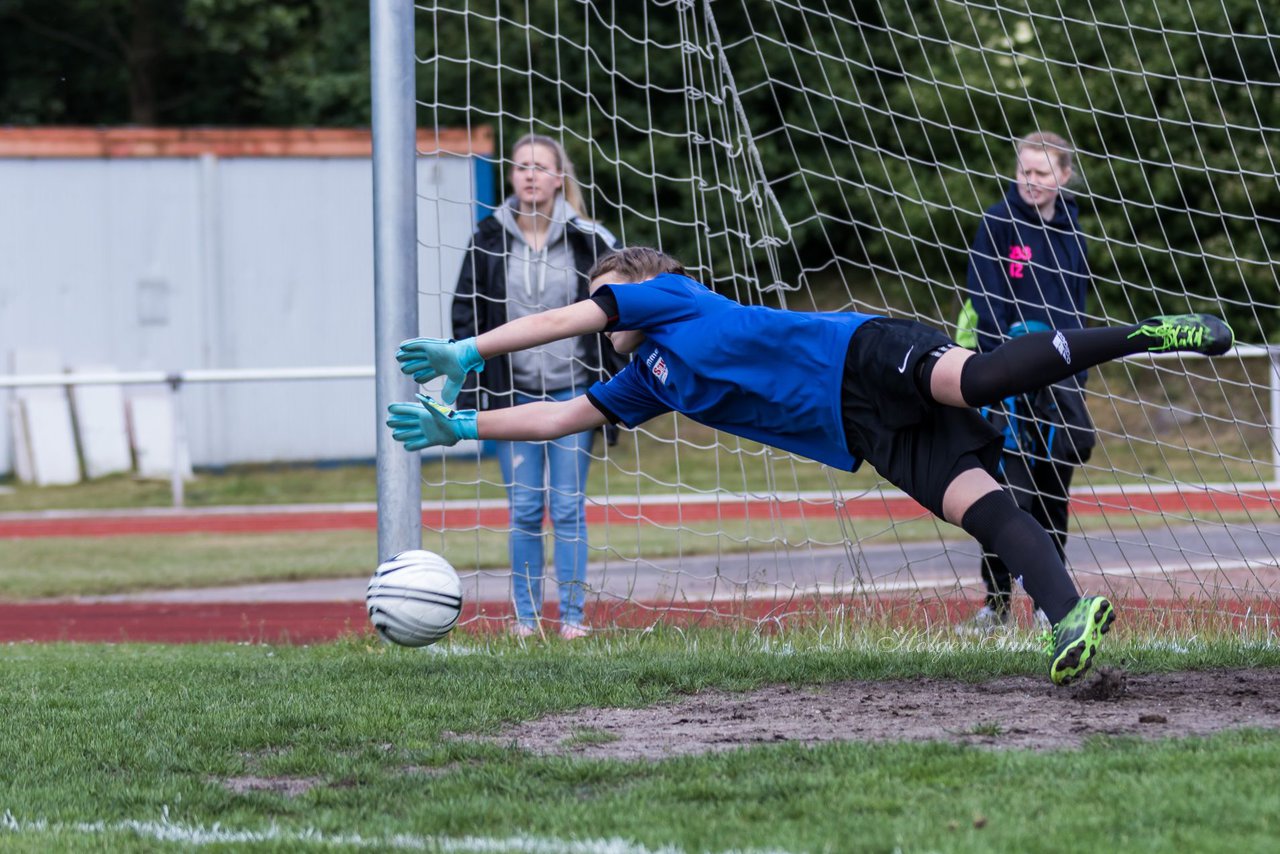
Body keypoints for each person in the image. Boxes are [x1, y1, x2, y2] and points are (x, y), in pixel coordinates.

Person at [388, 246, 1233, 685]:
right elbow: (561, 416)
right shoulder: (646, 378)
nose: (600, 311)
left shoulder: (670, 300)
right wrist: (462, 421)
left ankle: (1150, 333)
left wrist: (469, 348)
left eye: (607, 294)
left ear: (637, 286)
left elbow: (573, 316)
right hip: (860, 431)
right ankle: (1069, 620)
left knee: (974, 375)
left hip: (859, 355)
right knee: (980, 507)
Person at [448, 132, 625, 640]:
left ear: (558, 177)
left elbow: (622, 303)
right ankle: (526, 621)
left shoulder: (590, 238)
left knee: (568, 506)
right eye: (521, 165)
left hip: (575, 394)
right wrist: (469, 386)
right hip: (513, 395)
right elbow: (467, 314)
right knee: (525, 508)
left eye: (540, 166)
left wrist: (616, 373)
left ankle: (572, 620)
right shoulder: (486, 236)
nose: (530, 174)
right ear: (511, 176)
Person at [958, 131, 1093, 634]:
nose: (1030, 181)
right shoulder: (997, 222)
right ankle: (995, 605)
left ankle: (1046, 604)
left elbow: (1075, 305)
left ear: (1064, 175)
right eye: (1024, 171)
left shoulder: (1074, 231)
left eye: (1041, 173)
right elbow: (983, 297)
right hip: (1008, 376)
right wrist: (1006, 358)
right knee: (1006, 492)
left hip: (1057, 379)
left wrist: (1072, 370)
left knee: (1054, 491)